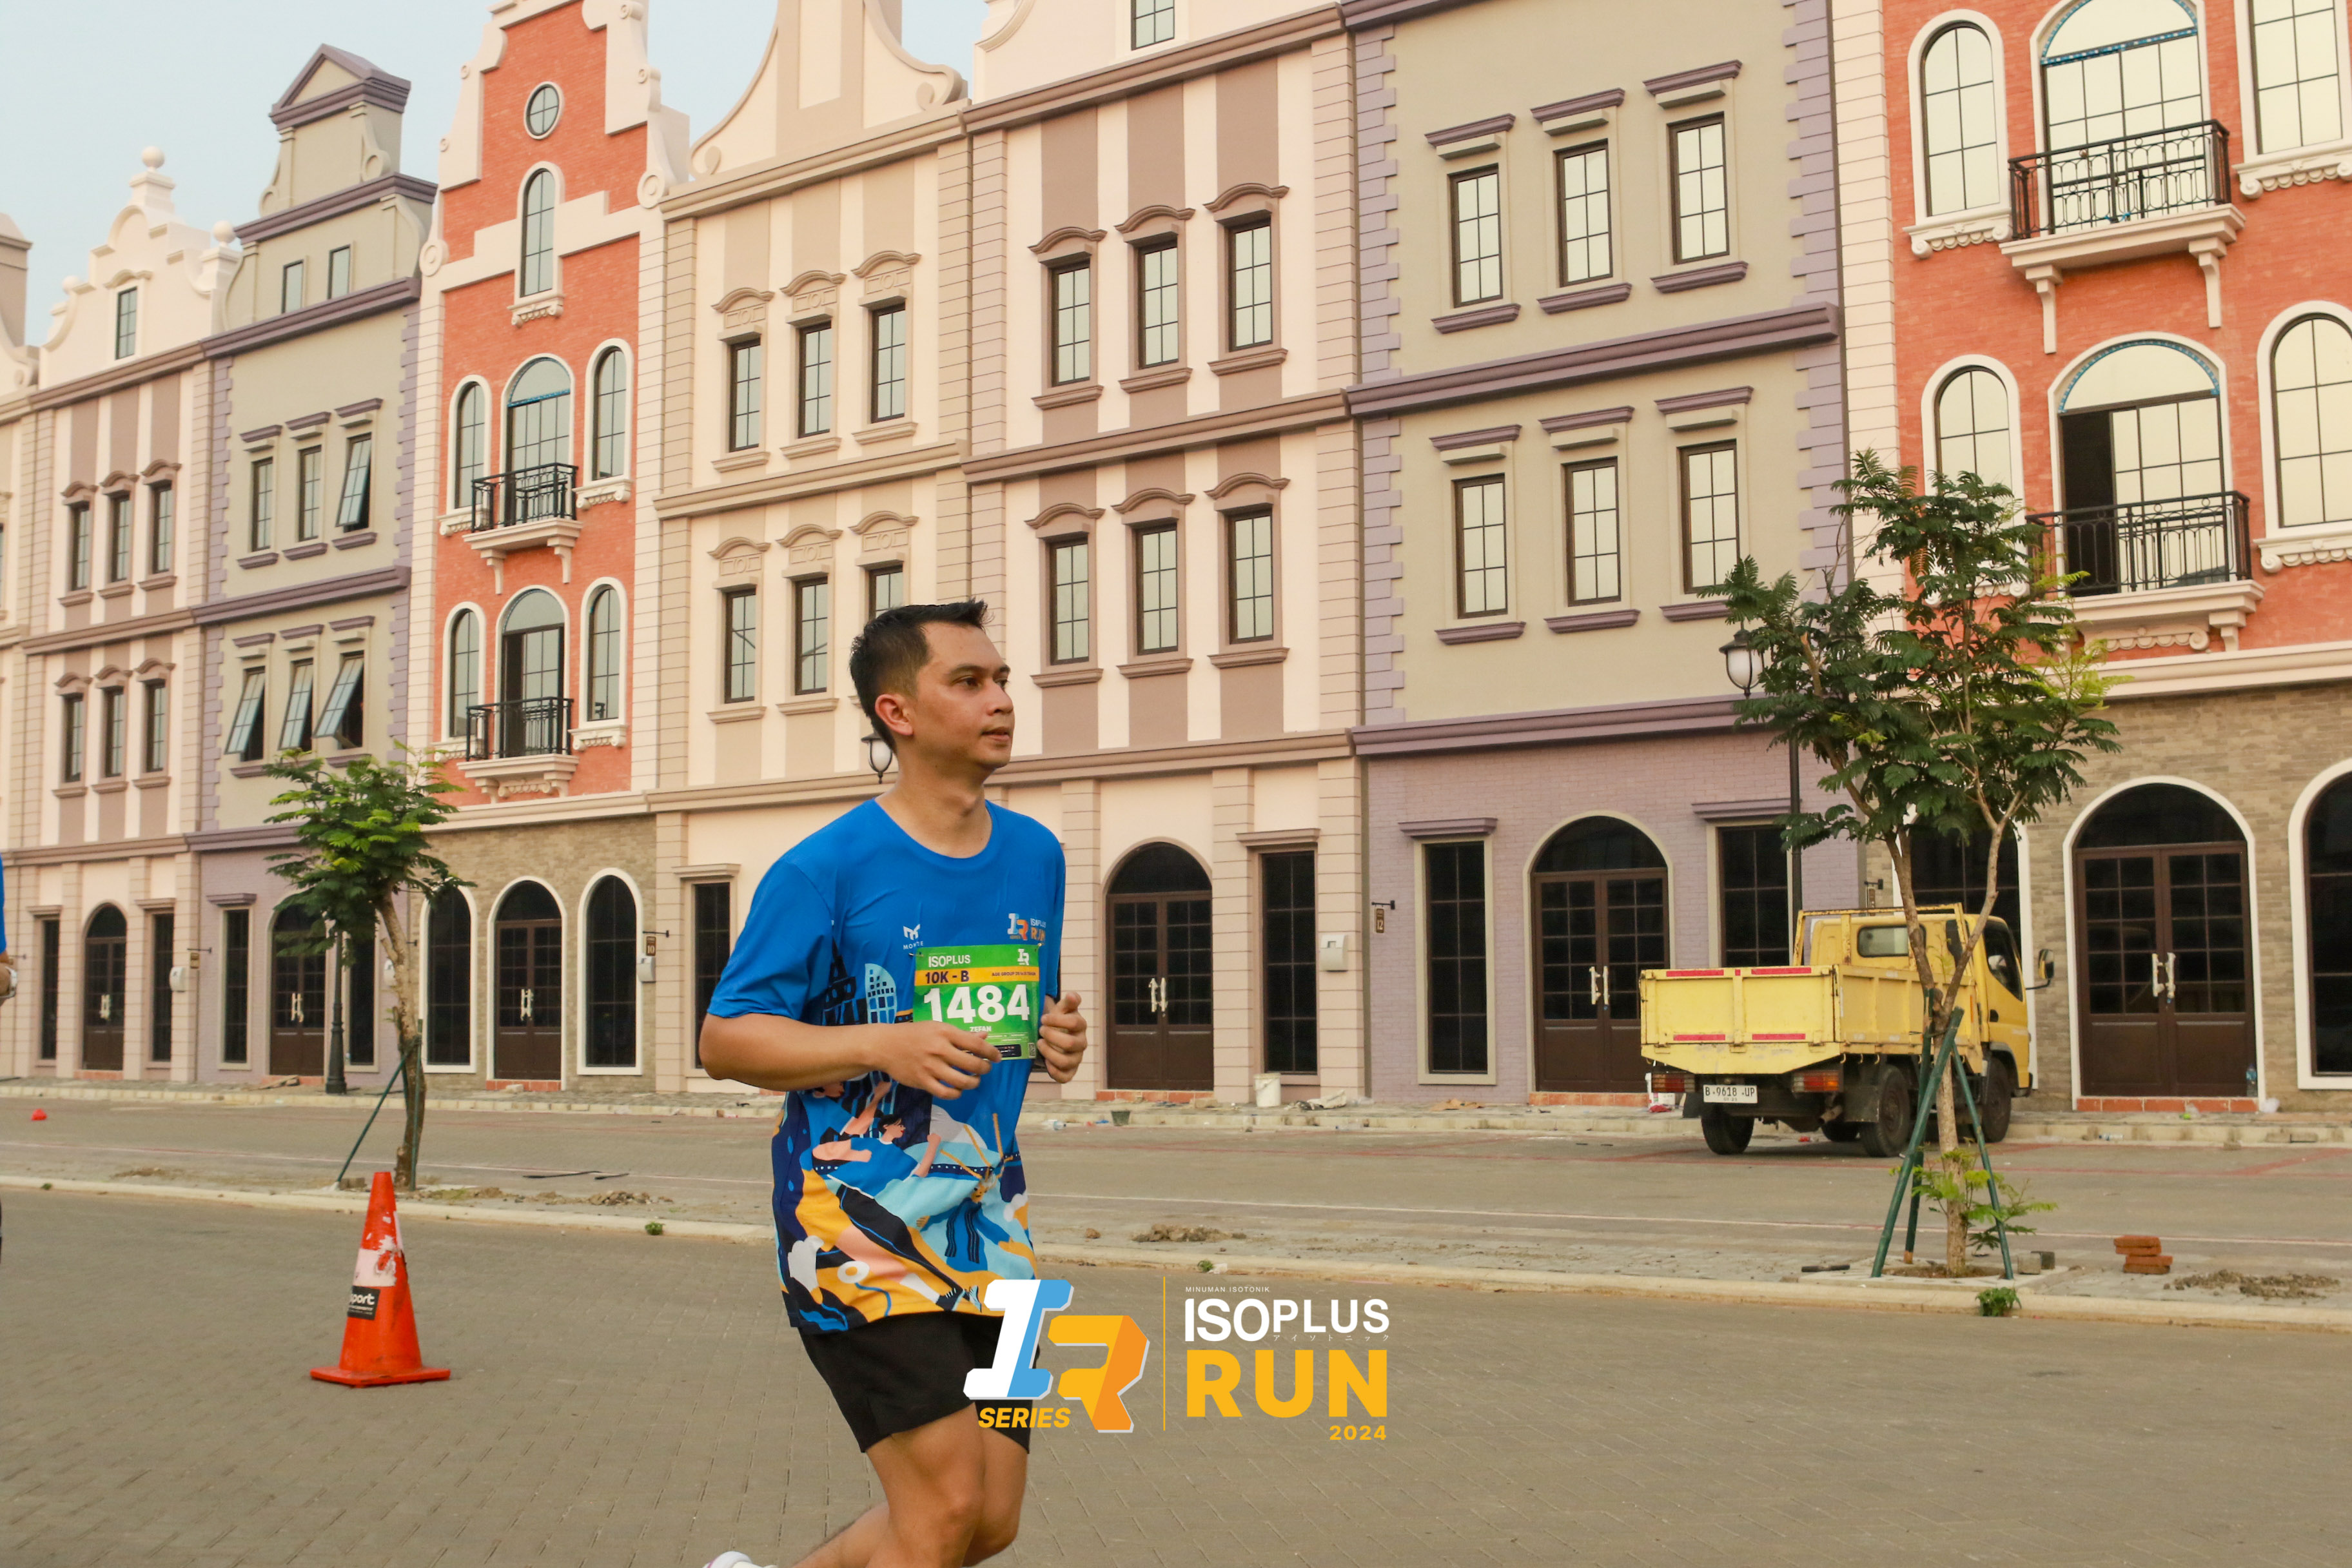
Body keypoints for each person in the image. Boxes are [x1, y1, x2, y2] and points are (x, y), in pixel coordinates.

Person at [698, 601, 1088, 1568]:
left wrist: (1054, 1038)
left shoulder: (1036, 855)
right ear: (898, 712)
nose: (1001, 700)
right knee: (943, 1509)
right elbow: (725, 1038)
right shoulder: (824, 869)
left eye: (1002, 680)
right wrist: (883, 1045)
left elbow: (1012, 1017)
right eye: (970, 681)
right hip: (858, 1223)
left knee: (988, 1521)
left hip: (992, 1218)